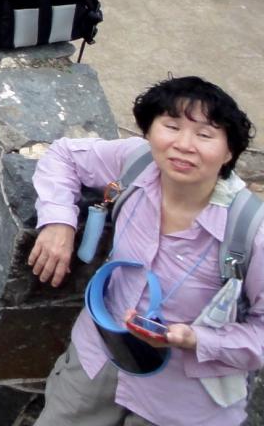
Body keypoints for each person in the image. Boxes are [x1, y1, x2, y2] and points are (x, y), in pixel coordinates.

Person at [28, 76, 263, 426]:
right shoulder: (137, 162)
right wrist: (59, 222)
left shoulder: (251, 231)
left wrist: (198, 340)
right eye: (171, 126)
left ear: (229, 152)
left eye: (205, 135)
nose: (184, 145)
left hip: (184, 397)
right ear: (149, 132)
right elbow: (63, 156)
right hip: (97, 360)